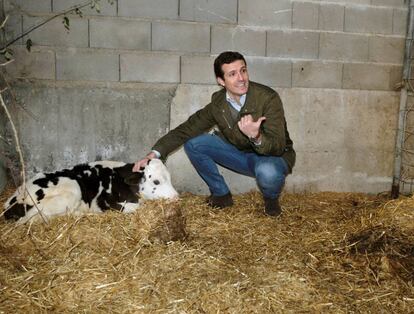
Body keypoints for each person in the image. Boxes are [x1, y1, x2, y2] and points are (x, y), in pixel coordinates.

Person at [133, 51, 295, 216]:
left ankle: (271, 200)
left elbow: (278, 147)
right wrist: (154, 153)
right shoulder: (218, 104)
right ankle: (221, 195)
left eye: (243, 70)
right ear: (221, 81)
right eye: (232, 74)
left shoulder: (268, 98)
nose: (241, 78)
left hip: (270, 158)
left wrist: (256, 136)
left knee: (268, 172)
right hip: (240, 155)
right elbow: (187, 129)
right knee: (194, 144)